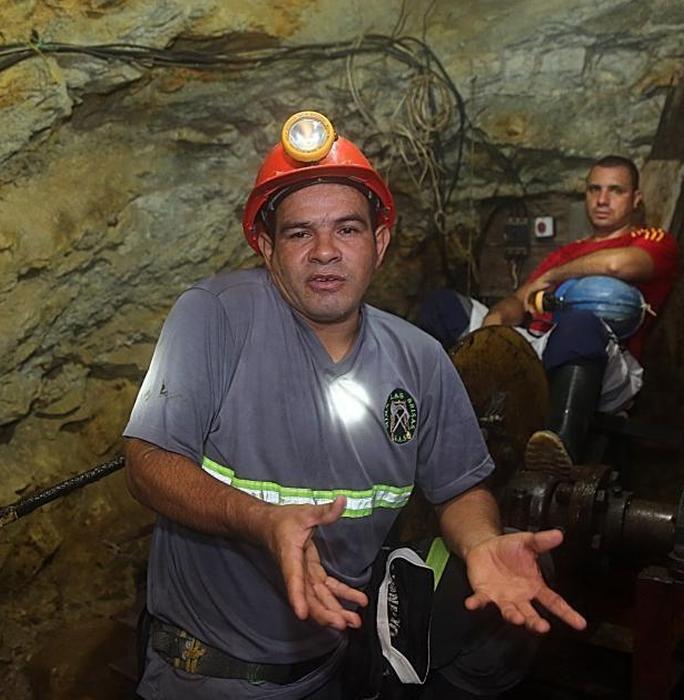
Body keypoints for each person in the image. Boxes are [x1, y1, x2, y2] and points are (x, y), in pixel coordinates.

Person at [122, 111, 586, 699]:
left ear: (379, 242)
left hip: (332, 673)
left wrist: (480, 543)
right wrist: (260, 520)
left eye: (347, 229)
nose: (325, 252)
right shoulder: (215, 316)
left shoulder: (419, 359)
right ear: (266, 247)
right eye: (299, 233)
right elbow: (147, 462)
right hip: (204, 678)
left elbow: (459, 488)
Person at [418, 156, 678, 472]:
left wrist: (555, 275)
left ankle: (556, 450)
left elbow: (616, 266)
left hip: (601, 359)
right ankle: (420, 425)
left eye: (615, 190)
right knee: (443, 307)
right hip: (539, 346)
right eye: (594, 189)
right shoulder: (566, 252)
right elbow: (518, 300)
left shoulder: (653, 240)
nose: (602, 200)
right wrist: (494, 325)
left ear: (636, 199)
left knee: (579, 323)